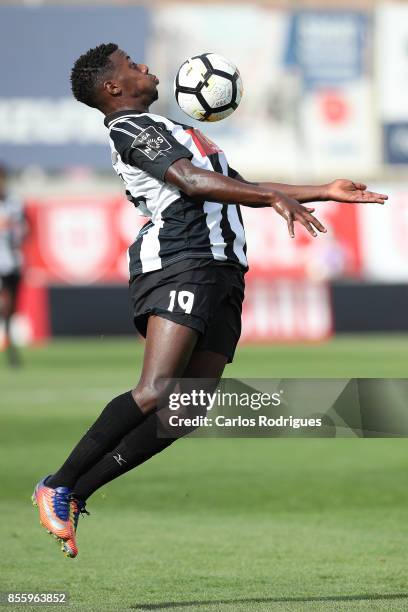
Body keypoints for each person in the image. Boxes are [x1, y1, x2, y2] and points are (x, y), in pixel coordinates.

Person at [32, 43, 388, 558]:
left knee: (185, 411)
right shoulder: (129, 128)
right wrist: (270, 199)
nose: (146, 68)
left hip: (221, 271)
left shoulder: (174, 130)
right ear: (113, 88)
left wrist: (325, 190)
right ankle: (58, 483)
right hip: (181, 262)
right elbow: (192, 182)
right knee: (156, 390)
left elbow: (239, 186)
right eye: (132, 66)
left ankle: (75, 493)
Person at [0, 163, 28, 367]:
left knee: (11, 309)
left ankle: (10, 349)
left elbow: (26, 229)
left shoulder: (14, 202)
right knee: (5, 304)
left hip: (11, 262)